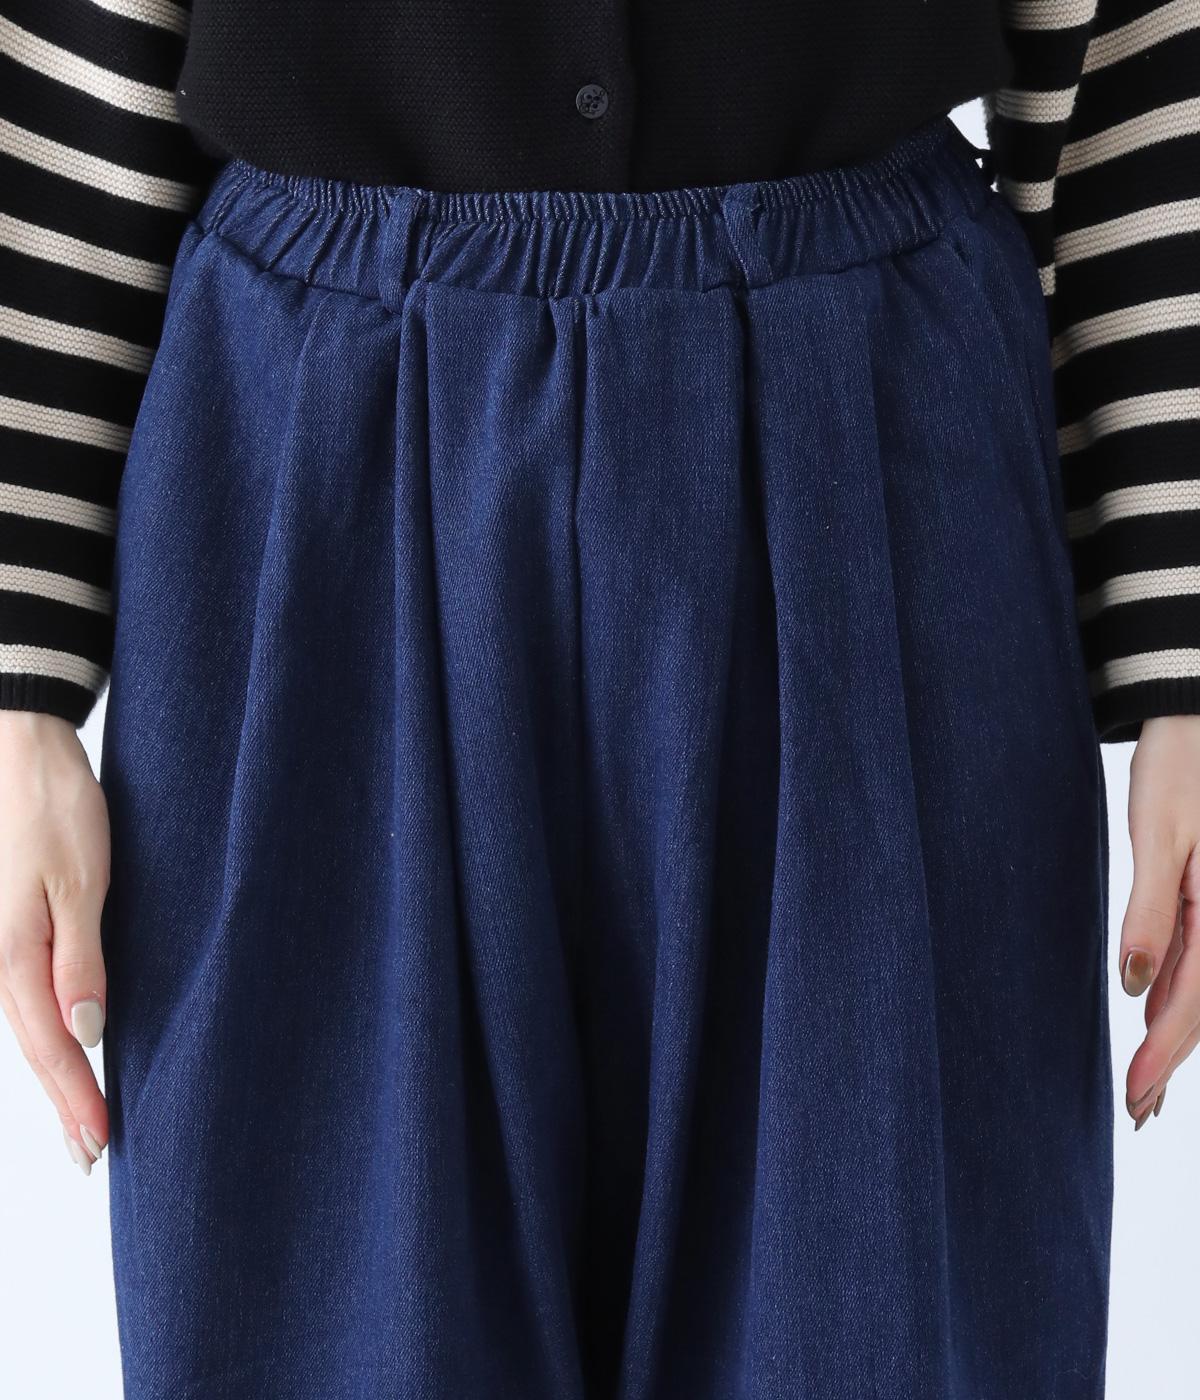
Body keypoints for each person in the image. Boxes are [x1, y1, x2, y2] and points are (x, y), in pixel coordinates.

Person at [0, 1, 1197, 1396]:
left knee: (873, 1327)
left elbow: (1130, 60)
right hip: (319, 472)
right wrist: (22, 672)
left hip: (867, 446)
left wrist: (1182, 650)